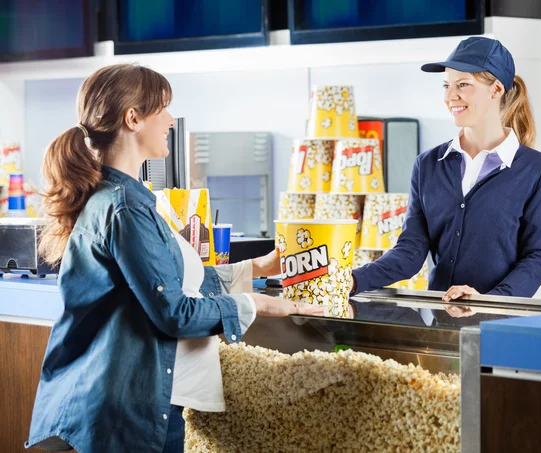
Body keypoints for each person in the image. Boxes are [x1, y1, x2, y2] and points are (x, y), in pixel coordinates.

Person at [25, 63, 322, 453]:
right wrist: (258, 304)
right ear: (133, 119)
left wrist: (255, 268)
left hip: (115, 409)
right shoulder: (124, 206)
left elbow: (166, 277)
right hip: (119, 418)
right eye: (162, 108)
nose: (169, 119)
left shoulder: (123, 199)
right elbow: (174, 312)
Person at [351, 37, 541, 312]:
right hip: (441, 326)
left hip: (501, 323)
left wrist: (489, 302)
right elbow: (410, 253)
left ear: (496, 89)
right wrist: (351, 280)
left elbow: (536, 257)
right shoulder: (428, 165)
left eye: (463, 85)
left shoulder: (533, 168)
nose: (450, 96)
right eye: (446, 86)